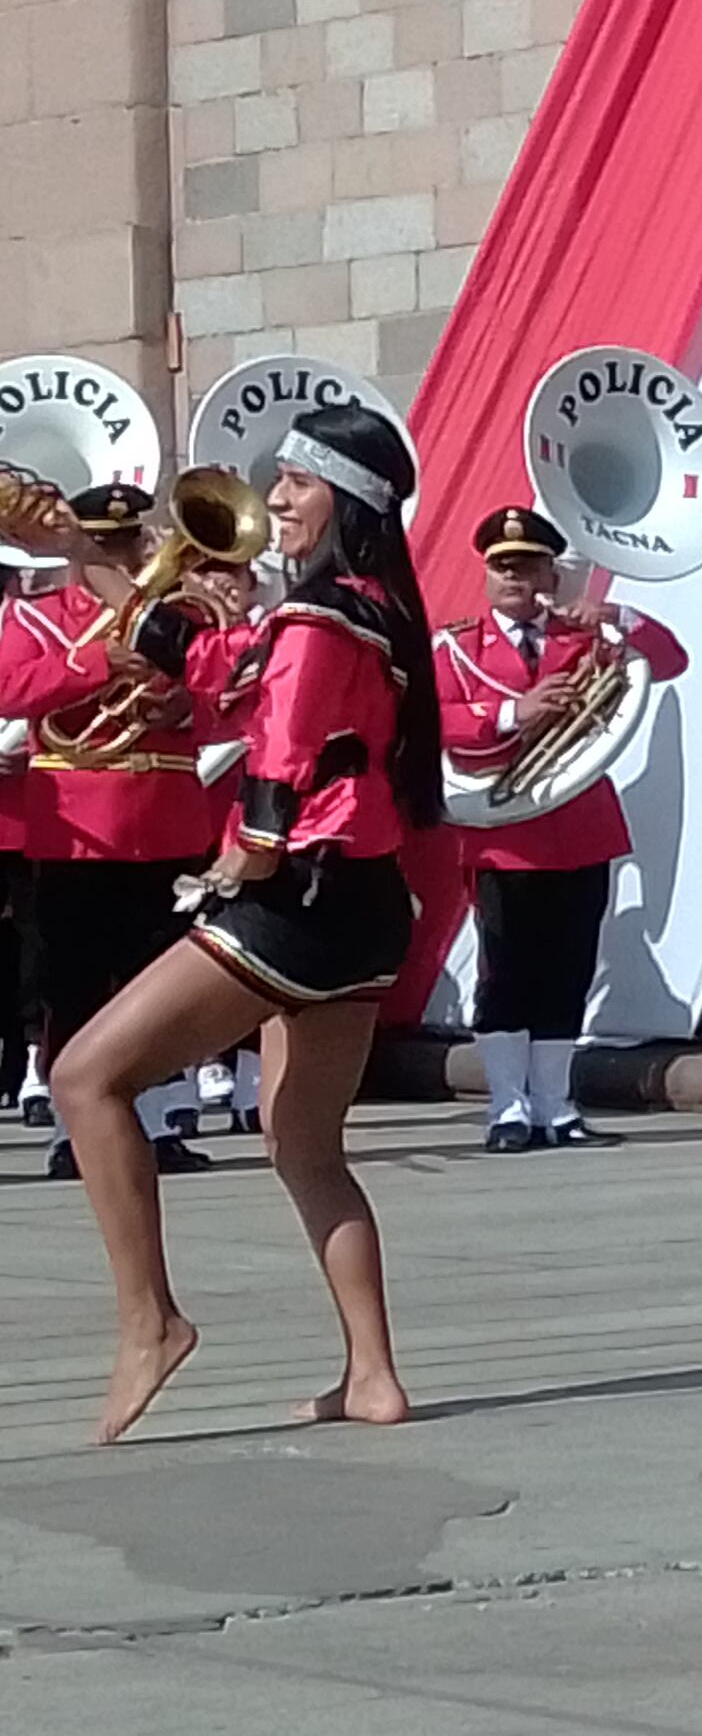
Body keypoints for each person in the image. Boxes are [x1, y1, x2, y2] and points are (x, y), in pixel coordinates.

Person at [61, 404, 436, 1443]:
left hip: (300, 896)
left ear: (346, 500)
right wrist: (92, 557)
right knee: (305, 1145)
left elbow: (280, 746)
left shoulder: (319, 620)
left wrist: (250, 851)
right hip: (364, 913)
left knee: (85, 1078)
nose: (275, 502)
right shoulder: (374, 612)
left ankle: (152, 1321)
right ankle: (371, 1378)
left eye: (298, 485)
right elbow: (222, 670)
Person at [434, 505, 693, 1151]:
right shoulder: (456, 647)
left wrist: (618, 618)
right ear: (487, 575)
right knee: (505, 974)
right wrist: (508, 713)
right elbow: (428, 720)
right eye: (503, 568)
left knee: (568, 970)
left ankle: (555, 1104)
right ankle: (506, 1107)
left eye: (528, 566)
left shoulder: (586, 640)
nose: (515, 580)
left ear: (553, 572)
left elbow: (670, 661)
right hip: (503, 835)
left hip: (580, 826)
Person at [22, 482, 235, 1182]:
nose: (121, 554)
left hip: (166, 817)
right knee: (74, 982)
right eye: (102, 544)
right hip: (77, 826)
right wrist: (92, 665)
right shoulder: (40, 618)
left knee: (164, 979)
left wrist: (184, 709)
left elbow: (231, 698)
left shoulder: (174, 619)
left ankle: (165, 1116)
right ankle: (70, 1126)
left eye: (126, 541)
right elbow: (7, 686)